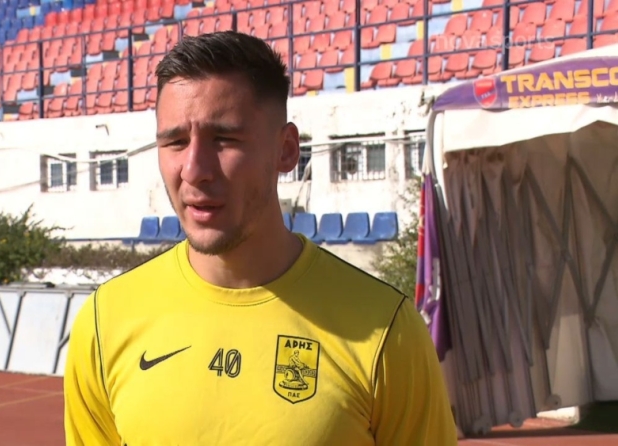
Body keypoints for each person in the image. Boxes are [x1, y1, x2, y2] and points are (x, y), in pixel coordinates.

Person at [63, 30, 458, 445]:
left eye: (224, 139)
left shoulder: (388, 331)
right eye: (175, 142)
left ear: (286, 150)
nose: (194, 170)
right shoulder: (105, 322)